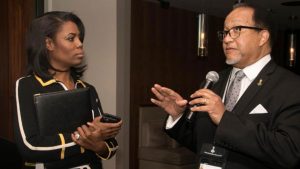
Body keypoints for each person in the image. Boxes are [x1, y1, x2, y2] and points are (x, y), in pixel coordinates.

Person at [151, 3, 300, 169]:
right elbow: (202, 142)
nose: (227, 39)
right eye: (225, 32)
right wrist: (178, 116)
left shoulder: (291, 86)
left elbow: (289, 151)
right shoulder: (214, 81)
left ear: (262, 37)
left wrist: (224, 119)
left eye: (237, 30)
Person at [14, 11, 122, 169]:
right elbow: (31, 147)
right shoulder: (27, 86)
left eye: (80, 38)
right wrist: (85, 139)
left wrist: (98, 144)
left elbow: (109, 147)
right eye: (71, 38)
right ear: (48, 44)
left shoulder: (88, 89)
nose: (79, 43)